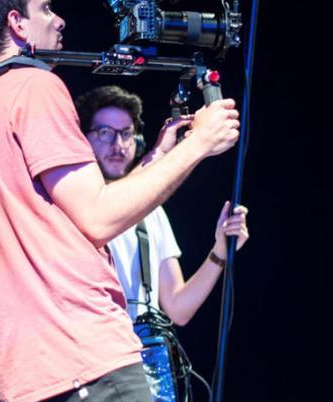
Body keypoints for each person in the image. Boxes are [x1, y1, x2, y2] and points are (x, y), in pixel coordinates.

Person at [0, 0, 240, 402]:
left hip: (37, 373)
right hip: (87, 361)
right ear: (16, 24)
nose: (59, 19)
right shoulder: (35, 86)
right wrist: (201, 144)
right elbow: (98, 216)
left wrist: (160, 160)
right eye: (45, 9)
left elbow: (45, 217)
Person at [74, 85, 250, 325]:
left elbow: (178, 309)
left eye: (126, 133)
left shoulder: (152, 213)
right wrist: (166, 152)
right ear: (82, 138)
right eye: (105, 132)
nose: (118, 145)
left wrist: (220, 251)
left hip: (138, 356)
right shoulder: (73, 205)